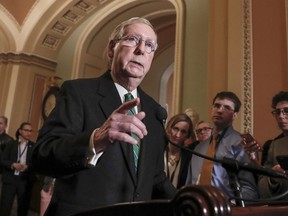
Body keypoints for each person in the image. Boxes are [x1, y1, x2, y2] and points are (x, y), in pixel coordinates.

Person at [32, 17, 177, 216]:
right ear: (111, 49)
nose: (141, 49)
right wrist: (95, 140)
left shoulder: (154, 110)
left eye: (149, 45)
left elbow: (155, 176)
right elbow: (41, 156)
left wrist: (190, 201)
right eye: (133, 39)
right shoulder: (78, 92)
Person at [186, 91, 258, 201]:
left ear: (234, 115)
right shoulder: (199, 148)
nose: (219, 110)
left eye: (226, 108)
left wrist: (233, 205)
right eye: (217, 106)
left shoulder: (242, 144)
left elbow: (249, 189)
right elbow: (189, 184)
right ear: (211, 109)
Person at [0, 122, 36, 216]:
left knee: (23, 208)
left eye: (30, 131)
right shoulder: (11, 144)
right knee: (5, 207)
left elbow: (36, 164)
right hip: (10, 179)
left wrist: (27, 166)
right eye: (26, 130)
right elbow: (2, 160)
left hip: (24, 181)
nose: (29, 133)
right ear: (20, 131)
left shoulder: (34, 146)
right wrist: (12, 164)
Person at [258, 91, 288, 199]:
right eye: (277, 112)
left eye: (286, 111)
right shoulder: (275, 145)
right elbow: (261, 188)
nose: (281, 116)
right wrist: (273, 178)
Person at [164, 113, 194, 189]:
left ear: (187, 135)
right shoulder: (158, 151)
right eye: (175, 129)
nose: (178, 135)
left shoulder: (189, 157)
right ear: (169, 128)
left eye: (183, 132)